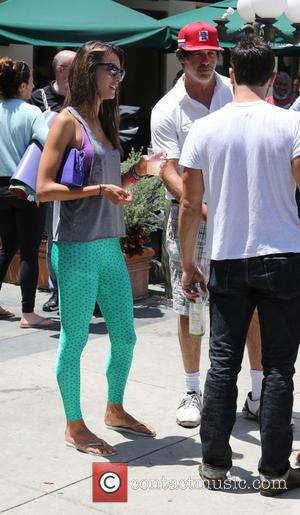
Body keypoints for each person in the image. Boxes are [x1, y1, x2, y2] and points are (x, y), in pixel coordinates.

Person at [179, 36, 300, 496]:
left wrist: (191, 263)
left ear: (231, 74)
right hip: (284, 254)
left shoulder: (205, 129)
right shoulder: (289, 124)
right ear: (273, 78)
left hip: (227, 256)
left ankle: (214, 465)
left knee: (222, 365)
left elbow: (190, 205)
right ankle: (273, 472)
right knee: (278, 369)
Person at [36, 40, 158, 456]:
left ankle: (115, 409)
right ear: (90, 71)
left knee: (124, 337)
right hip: (75, 248)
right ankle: (74, 425)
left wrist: (136, 174)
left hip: (108, 245)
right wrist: (97, 188)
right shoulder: (66, 121)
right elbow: (44, 188)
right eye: (112, 71)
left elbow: (114, 190)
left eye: (121, 72)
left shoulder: (104, 121)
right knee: (74, 340)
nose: (118, 80)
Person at [151, 21, 263, 428]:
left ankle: (259, 391)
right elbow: (166, 168)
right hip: (191, 217)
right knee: (191, 303)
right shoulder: (166, 109)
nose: (205, 60)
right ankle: (192, 389)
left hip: (239, 217)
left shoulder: (237, 93)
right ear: (180, 57)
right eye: (197, 54)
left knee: (251, 304)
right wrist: (199, 207)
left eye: (212, 53)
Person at [0, 57, 53, 328]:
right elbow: (49, 142)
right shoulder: (31, 112)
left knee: (6, 247)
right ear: (22, 85)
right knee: (30, 251)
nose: (33, 86)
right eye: (31, 81)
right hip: (25, 187)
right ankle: (28, 312)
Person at [31, 50, 76, 313]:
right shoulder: (39, 98)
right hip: (49, 177)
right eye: (75, 67)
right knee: (54, 236)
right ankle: (57, 290)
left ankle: (80, 291)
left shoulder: (83, 98)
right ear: (61, 70)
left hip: (76, 176)